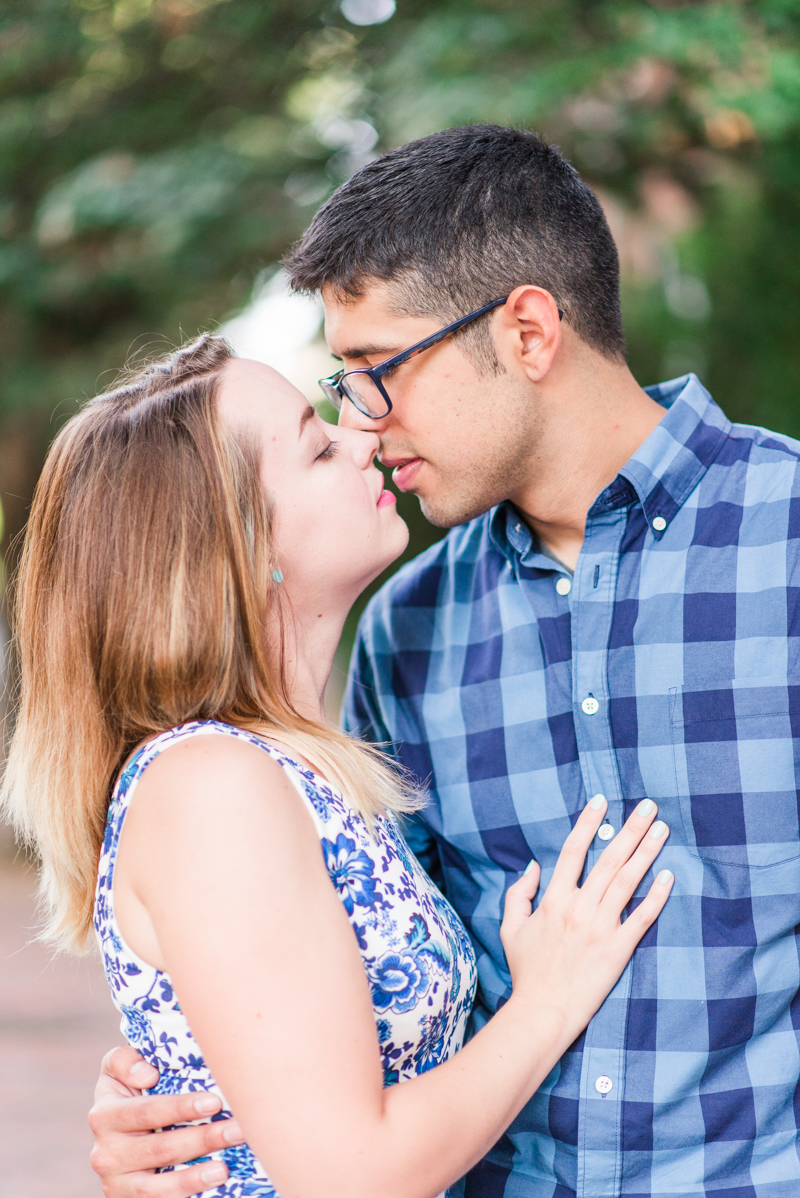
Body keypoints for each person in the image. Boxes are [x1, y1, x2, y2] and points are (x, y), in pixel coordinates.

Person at [88, 122, 800, 1198]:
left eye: (378, 371)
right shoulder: (404, 628)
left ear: (524, 330)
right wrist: (178, 1093)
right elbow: (352, 995)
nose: (363, 425)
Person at [1, 333, 673, 1198]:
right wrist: (549, 997)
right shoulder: (211, 787)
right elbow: (351, 1175)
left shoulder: (292, 767)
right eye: (318, 447)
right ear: (243, 552)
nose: (362, 434)